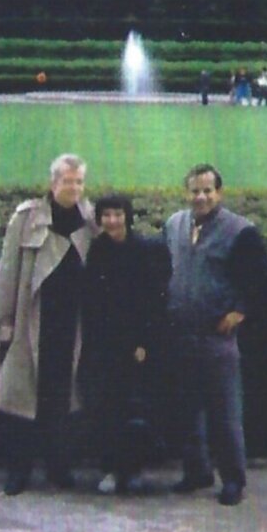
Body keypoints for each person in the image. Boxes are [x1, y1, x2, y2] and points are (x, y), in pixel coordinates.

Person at [0, 153, 97, 495]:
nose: (73, 188)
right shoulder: (26, 217)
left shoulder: (90, 219)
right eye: (67, 181)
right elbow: (7, 271)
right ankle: (18, 470)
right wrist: (1, 322)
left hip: (71, 325)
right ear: (53, 183)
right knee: (21, 402)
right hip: (30, 322)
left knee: (61, 400)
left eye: (79, 181)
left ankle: (58, 467)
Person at [162, 163, 267, 506]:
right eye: (195, 190)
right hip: (181, 333)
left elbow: (263, 282)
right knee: (186, 410)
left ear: (219, 193)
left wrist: (240, 311)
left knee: (224, 412)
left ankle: (233, 480)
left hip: (216, 338)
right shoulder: (174, 225)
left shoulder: (240, 231)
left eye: (208, 190)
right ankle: (196, 471)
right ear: (186, 192)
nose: (201, 197)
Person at [82, 194, 170, 495]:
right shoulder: (97, 251)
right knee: (106, 410)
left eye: (117, 215)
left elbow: (154, 300)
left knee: (134, 408)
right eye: (106, 215)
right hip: (106, 345)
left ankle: (132, 470)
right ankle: (109, 469)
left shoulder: (145, 250)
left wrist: (144, 341)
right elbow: (92, 301)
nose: (112, 221)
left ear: (127, 217)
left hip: (136, 347)